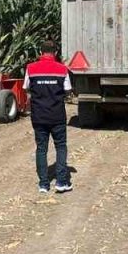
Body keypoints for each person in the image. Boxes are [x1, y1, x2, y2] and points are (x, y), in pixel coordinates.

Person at [24, 40, 72, 193]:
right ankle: (61, 181)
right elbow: (68, 90)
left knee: (41, 149)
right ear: (55, 52)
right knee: (61, 147)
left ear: (40, 52)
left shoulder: (30, 68)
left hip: (38, 116)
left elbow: (26, 87)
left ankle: (44, 184)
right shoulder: (62, 69)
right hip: (57, 116)